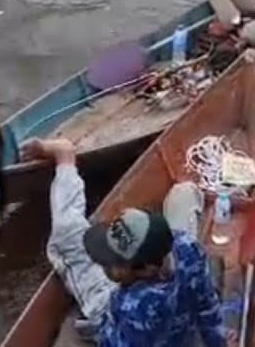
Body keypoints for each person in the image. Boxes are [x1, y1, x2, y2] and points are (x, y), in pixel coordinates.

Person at [21, 138, 227, 346]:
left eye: (115, 263)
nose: (105, 266)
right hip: (170, 315)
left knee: (66, 232)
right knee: (185, 191)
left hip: (118, 318)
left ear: (146, 269)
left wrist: (91, 328)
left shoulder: (133, 307)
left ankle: (65, 156)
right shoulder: (186, 248)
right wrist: (219, 343)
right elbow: (206, 306)